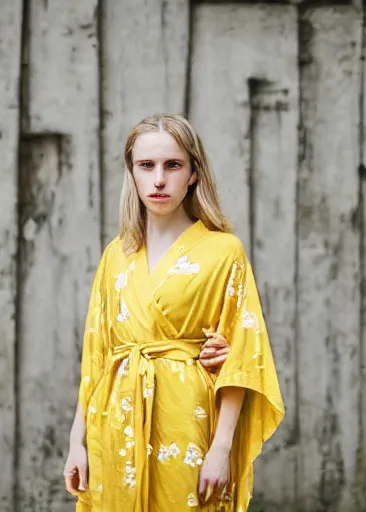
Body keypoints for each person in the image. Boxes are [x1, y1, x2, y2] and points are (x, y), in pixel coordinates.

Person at [62, 113, 285, 511]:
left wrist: (221, 447)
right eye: (146, 166)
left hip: (187, 421)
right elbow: (96, 358)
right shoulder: (117, 254)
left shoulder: (224, 251)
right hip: (116, 420)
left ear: (193, 173)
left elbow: (242, 355)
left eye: (173, 165)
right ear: (132, 172)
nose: (159, 179)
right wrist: (76, 441)